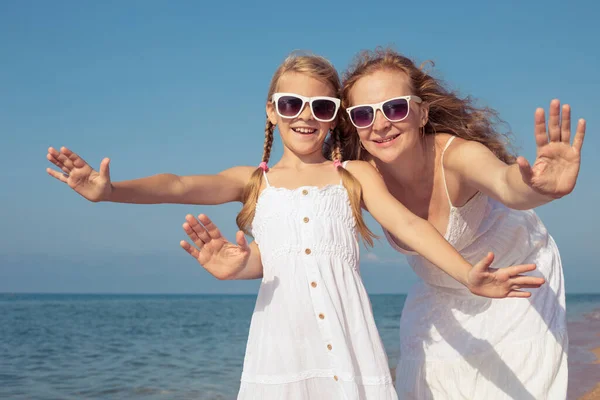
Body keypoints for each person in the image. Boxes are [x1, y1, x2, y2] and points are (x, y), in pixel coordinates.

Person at [46, 53, 544, 400]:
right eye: (290, 104)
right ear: (271, 110)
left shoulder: (355, 173)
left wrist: (466, 275)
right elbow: (179, 184)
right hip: (280, 350)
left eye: (321, 107)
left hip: (350, 349)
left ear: (334, 119)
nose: (304, 116)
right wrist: (111, 191)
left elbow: (411, 228)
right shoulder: (253, 181)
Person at [185, 49, 586, 399]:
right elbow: (301, 240)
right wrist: (246, 264)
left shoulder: (456, 155)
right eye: (363, 114)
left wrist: (543, 189)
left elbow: (508, 185)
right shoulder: (360, 176)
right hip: (443, 291)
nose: (380, 125)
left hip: (516, 281)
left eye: (395, 108)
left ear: (421, 111)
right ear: (350, 121)